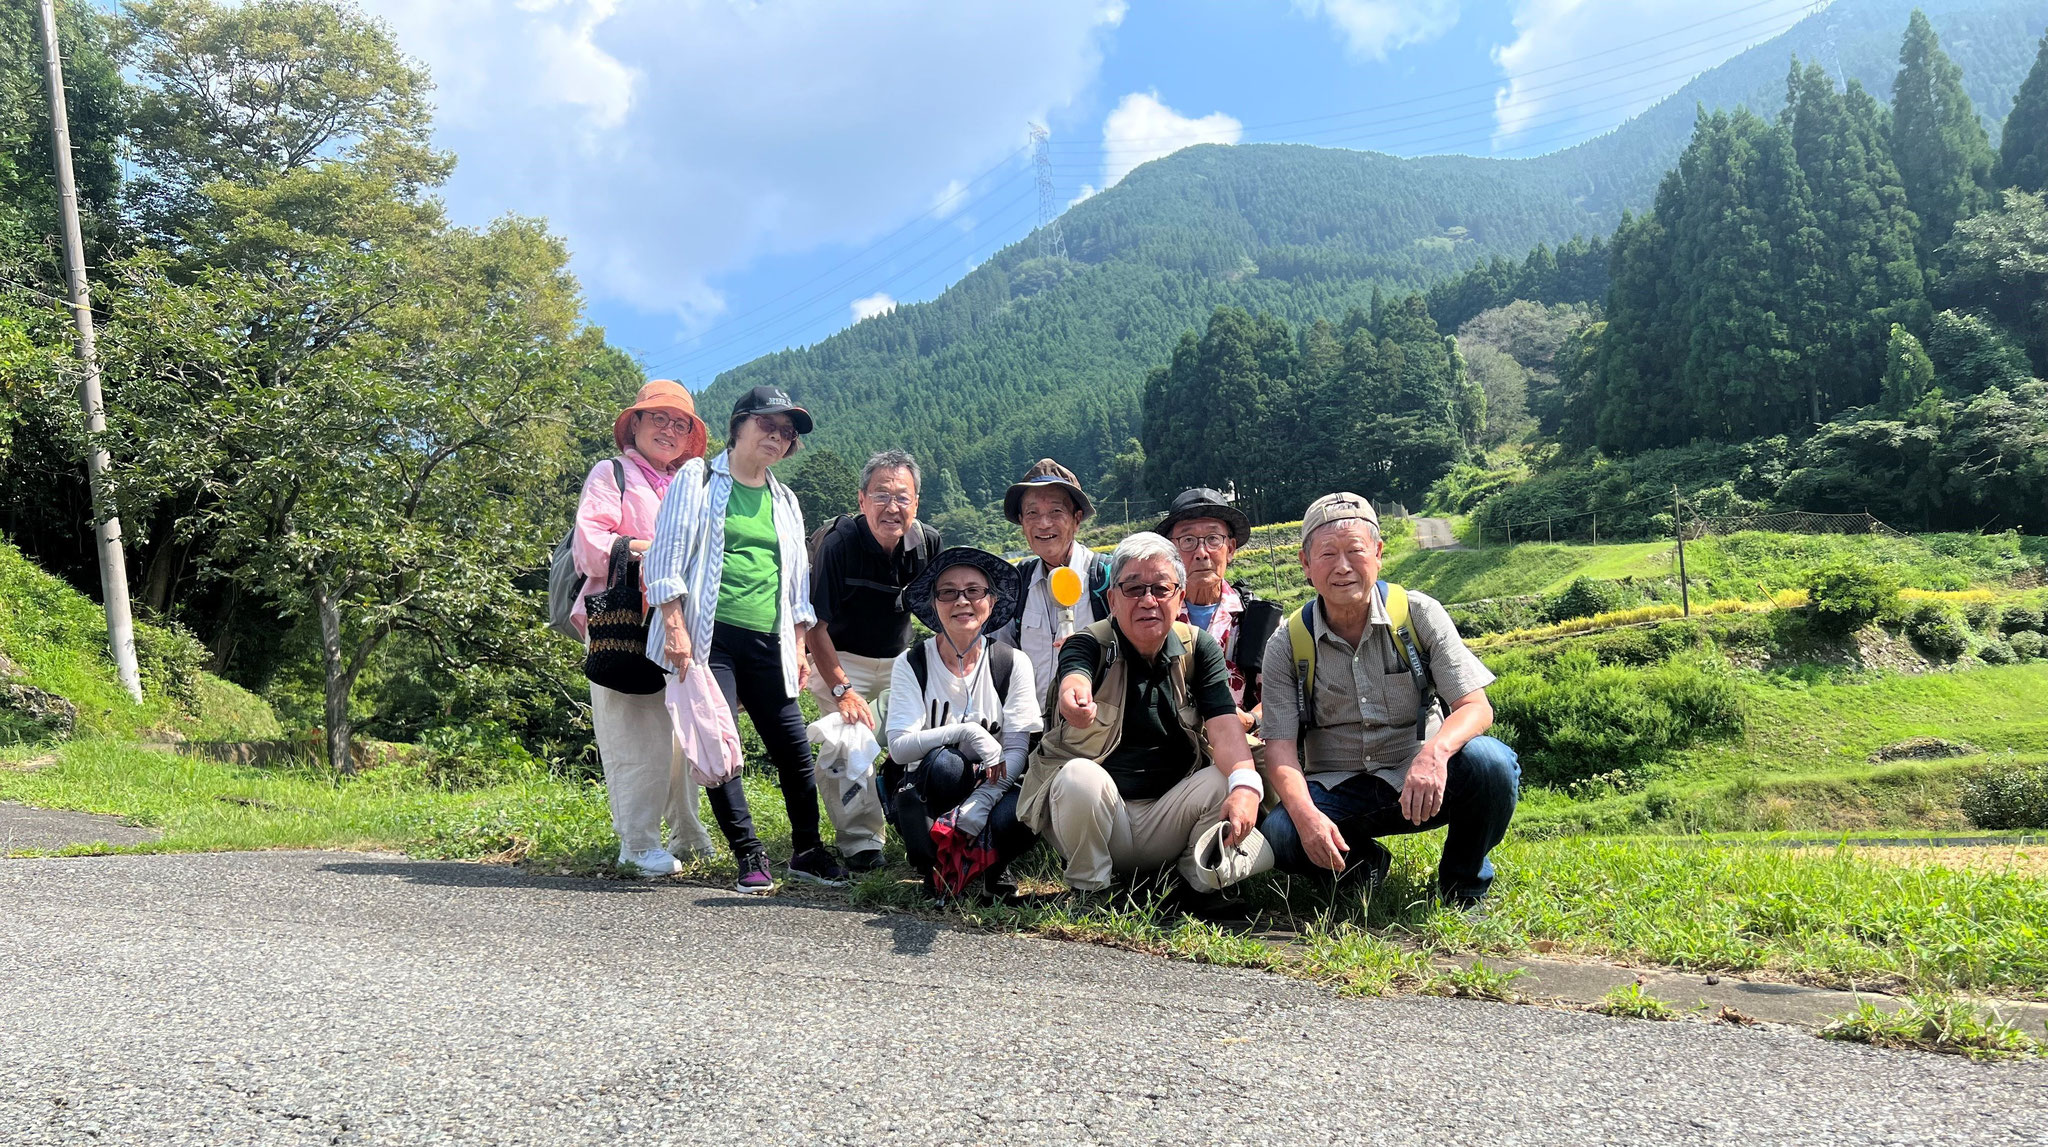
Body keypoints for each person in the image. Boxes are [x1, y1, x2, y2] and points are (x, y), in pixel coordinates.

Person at [1255, 493, 1520, 907]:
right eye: (1327, 554)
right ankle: (1363, 867)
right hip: (1337, 786)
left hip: (1418, 778)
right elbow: (1281, 753)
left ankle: (1464, 886)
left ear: (1378, 553)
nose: (1342, 567)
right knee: (1282, 833)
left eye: (1355, 551)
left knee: (1492, 765)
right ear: (1306, 566)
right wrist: (1307, 818)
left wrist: (1434, 754)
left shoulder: (1418, 614)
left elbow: (1475, 706)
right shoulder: (1287, 643)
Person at [644, 385, 848, 893]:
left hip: (771, 640)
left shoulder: (785, 499)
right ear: (739, 425)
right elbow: (665, 556)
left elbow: (796, 581)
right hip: (710, 636)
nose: (777, 439)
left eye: (786, 433)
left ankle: (807, 850)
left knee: (794, 750)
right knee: (718, 743)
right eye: (767, 426)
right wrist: (674, 626)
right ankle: (748, 854)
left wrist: (799, 644)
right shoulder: (698, 478)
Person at [1015, 532, 1265, 895]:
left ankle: (1192, 884)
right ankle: (1091, 887)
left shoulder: (1198, 647)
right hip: (1103, 820)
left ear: (1179, 596)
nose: (1147, 600)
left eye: (1161, 589)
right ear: (1112, 599)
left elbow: (1227, 733)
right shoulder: (1090, 642)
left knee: (1223, 780)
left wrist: (1246, 788)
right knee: (1077, 776)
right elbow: (1074, 676)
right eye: (1133, 589)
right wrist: (1074, 698)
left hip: (1170, 817)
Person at [572, 379, 715, 877]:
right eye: (659, 419)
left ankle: (688, 833)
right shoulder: (611, 474)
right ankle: (636, 842)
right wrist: (653, 551)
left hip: (674, 623)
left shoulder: (685, 485)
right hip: (624, 620)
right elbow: (590, 546)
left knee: (680, 730)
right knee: (634, 732)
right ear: (635, 424)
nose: (670, 430)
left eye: (680, 424)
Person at [804, 449, 941, 873]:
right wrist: (843, 690)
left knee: (923, 736)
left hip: (900, 658)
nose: (892, 507)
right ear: (862, 500)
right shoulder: (840, 543)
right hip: (841, 658)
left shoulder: (927, 543)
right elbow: (814, 627)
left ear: (916, 503)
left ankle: (933, 827)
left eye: (903, 497)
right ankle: (861, 843)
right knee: (849, 741)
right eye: (881, 496)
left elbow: (940, 612)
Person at [883, 547, 1041, 901]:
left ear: (992, 600)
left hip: (993, 786)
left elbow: (1016, 747)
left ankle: (991, 868)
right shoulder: (912, 663)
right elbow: (899, 746)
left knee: (1030, 803)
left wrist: (983, 798)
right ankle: (937, 863)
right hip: (931, 789)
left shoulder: (1012, 663)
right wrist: (967, 731)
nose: (962, 602)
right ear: (935, 603)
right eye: (948, 592)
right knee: (946, 765)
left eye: (974, 591)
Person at [1155, 488, 1283, 733]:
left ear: (1231, 548)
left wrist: (1251, 719)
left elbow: (1280, 693)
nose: (1202, 553)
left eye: (1213, 539)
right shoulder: (1154, 614)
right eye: (1188, 540)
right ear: (1171, 552)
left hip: (1241, 746)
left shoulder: (1258, 619)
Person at [990, 459, 1112, 709]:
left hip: (1098, 730)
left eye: (1056, 512)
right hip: (1033, 731)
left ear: (1076, 519)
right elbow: (997, 657)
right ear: (1022, 522)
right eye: (1032, 513)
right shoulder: (1015, 583)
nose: (1043, 524)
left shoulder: (1106, 577)